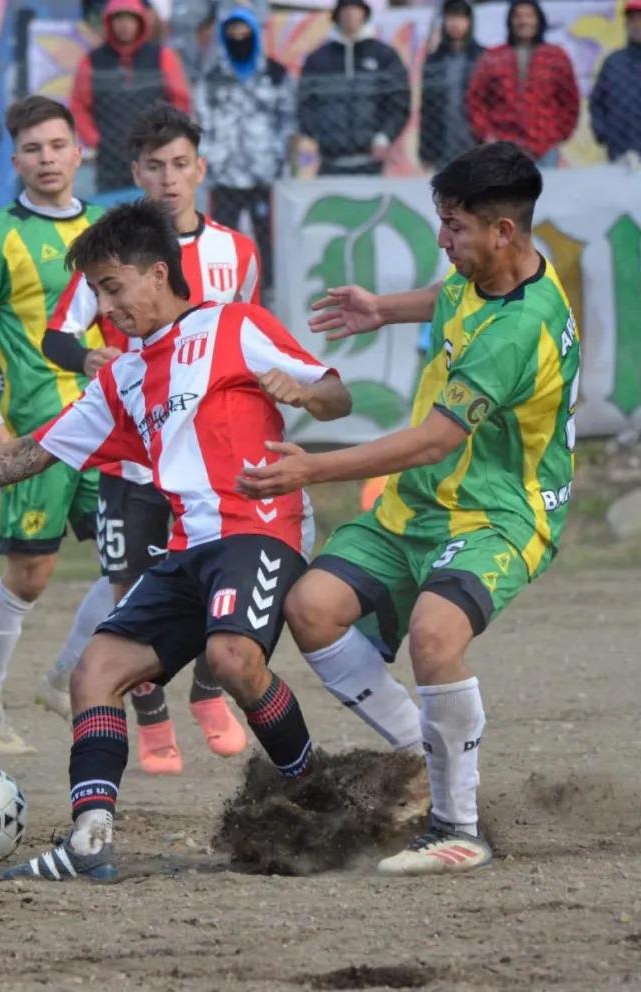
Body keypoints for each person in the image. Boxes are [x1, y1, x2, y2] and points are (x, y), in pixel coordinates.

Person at [0, 198, 352, 880]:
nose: (105, 304)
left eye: (112, 286)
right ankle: (90, 839)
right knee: (92, 672)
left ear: (158, 273)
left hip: (260, 529)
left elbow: (338, 394)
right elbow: (35, 450)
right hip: (188, 551)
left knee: (231, 658)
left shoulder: (236, 325)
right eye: (96, 291)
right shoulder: (124, 376)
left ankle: (317, 794)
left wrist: (306, 396)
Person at [238, 141, 580, 876]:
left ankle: (458, 828)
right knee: (312, 608)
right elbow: (451, 296)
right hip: (417, 508)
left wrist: (312, 468)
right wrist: (383, 309)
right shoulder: (493, 267)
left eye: (453, 227)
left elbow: (431, 441)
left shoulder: (518, 333)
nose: (442, 239)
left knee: (434, 634)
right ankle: (416, 755)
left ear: (502, 232)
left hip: (498, 515)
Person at [39, 105, 263, 775]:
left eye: (179, 164)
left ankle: (203, 695)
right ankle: (153, 717)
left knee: (212, 582)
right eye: (153, 167)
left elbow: (245, 332)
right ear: (135, 173)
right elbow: (58, 335)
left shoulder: (237, 252)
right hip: (134, 457)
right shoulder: (111, 256)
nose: (168, 179)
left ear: (200, 168)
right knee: (133, 590)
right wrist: (87, 361)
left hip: (209, 462)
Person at [0, 96, 114, 756]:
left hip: (110, 428)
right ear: (16, 160)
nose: (47, 158)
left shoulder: (105, 227)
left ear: (79, 152)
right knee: (30, 575)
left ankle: (65, 674)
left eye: (57, 145)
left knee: (138, 558)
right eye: (33, 149)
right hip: (39, 432)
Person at [195, 3, 295, 293]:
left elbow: (287, 120)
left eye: (244, 31)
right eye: (232, 32)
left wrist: (278, 159)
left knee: (267, 239)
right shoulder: (212, 77)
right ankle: (224, 291)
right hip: (224, 175)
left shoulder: (275, 74)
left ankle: (268, 292)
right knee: (221, 238)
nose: (239, 36)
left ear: (254, 32)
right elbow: (203, 121)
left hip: (264, 174)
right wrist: (210, 158)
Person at [69, 0, 192, 192]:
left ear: (140, 22)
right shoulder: (91, 61)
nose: (124, 25)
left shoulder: (163, 57)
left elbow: (180, 100)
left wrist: (167, 135)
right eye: (118, 19)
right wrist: (96, 140)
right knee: (113, 213)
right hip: (110, 157)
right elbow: (78, 105)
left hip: (155, 152)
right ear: (109, 22)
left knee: (156, 211)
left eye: (130, 19)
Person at [297, 0, 410, 177]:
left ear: (364, 13)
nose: (350, 14)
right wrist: (317, 134)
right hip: (330, 161)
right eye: (346, 8)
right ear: (337, 14)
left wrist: (384, 136)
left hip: (371, 162)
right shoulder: (318, 59)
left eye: (355, 9)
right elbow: (304, 102)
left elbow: (399, 101)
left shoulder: (384, 55)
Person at [466, 1, 579, 167]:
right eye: (518, 16)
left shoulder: (556, 57)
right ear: (510, 21)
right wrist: (487, 135)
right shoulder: (492, 57)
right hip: (504, 148)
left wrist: (557, 135)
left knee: (548, 192)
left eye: (529, 16)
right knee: (506, 193)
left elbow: (570, 100)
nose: (523, 21)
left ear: (539, 20)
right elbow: (475, 99)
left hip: (544, 147)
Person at [419, 0, 485, 171]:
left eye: (461, 18)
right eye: (451, 18)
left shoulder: (484, 57)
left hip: (478, 144)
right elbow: (427, 108)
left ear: (470, 22)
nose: (456, 24)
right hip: (443, 146)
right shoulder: (434, 60)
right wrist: (426, 151)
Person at [589, 0, 641, 165]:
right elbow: (597, 102)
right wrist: (604, 134)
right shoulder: (613, 62)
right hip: (622, 153)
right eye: (633, 20)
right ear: (626, 24)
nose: (637, 25)